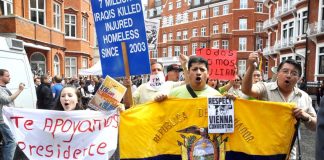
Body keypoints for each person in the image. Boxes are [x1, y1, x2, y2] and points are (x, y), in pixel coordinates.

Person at [241, 52, 317, 160]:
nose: (289, 75)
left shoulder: (304, 97)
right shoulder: (265, 88)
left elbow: (315, 126)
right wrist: (251, 67)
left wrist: (306, 117)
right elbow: (246, 90)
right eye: (285, 71)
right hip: (263, 150)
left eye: (294, 73)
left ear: (299, 78)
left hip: (289, 153)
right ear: (278, 73)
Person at [155, 56, 222, 100]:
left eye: (202, 70)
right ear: (188, 72)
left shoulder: (216, 96)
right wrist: (160, 102)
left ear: (207, 74)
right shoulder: (174, 94)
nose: (198, 72)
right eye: (194, 69)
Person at [0, 69, 25, 160]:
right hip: (3, 120)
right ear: (1, 77)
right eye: (7, 76)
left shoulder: (4, 88)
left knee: (7, 142)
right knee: (12, 142)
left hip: (6, 119)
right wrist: (19, 90)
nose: (10, 77)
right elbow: (6, 100)